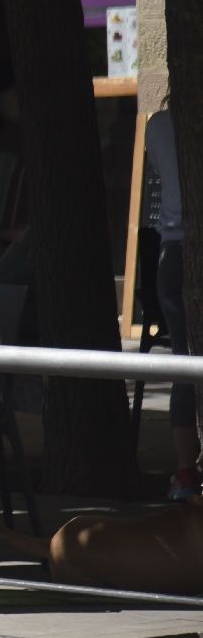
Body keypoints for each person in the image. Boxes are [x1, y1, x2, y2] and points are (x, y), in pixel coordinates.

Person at [146, 105, 200, 499]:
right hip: (192, 248)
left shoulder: (158, 125)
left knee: (183, 364)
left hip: (170, 250)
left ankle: (185, 473)